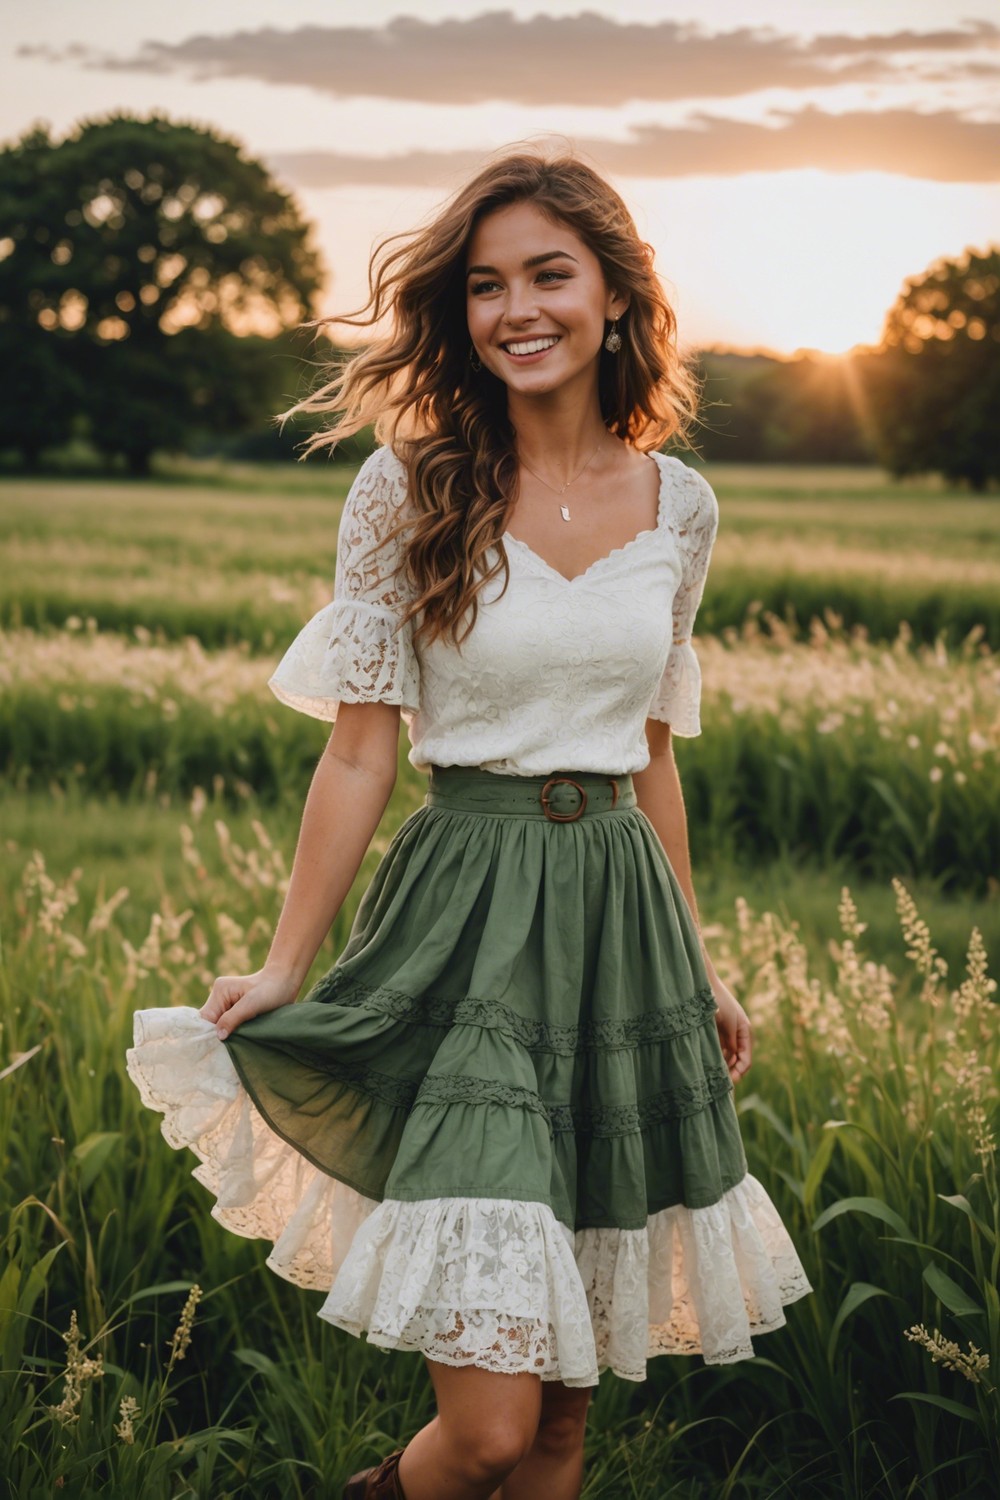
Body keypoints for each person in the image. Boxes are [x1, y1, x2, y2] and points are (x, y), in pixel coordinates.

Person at [125, 145, 813, 1500]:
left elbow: (652, 757)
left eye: (550, 275)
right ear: (461, 312)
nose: (519, 309)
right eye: (488, 284)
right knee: (491, 1429)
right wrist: (284, 963)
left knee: (562, 1426)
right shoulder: (407, 487)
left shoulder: (683, 505)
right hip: (467, 926)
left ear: (615, 291)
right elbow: (361, 751)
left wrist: (704, 960)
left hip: (621, 930)